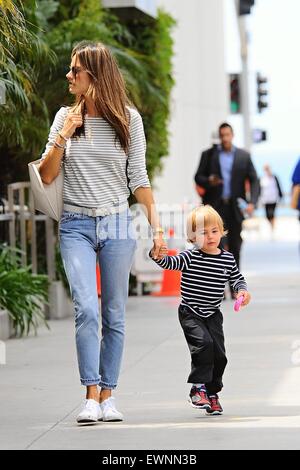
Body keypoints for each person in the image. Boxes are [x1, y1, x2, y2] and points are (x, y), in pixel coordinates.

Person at [39, 41, 167, 424]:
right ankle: (90, 394)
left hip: (116, 223)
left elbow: (139, 179)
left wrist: (157, 231)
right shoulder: (64, 116)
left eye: (75, 70)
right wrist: (65, 134)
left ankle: (109, 395)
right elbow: (46, 175)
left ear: (93, 75)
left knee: (114, 314)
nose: (69, 76)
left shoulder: (129, 120)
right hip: (75, 223)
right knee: (87, 308)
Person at [150, 205, 251, 415]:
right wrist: (158, 255)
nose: (210, 237)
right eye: (203, 233)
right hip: (190, 312)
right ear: (192, 237)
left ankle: (213, 393)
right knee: (203, 345)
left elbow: (237, 279)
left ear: (222, 231)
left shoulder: (227, 258)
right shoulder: (190, 257)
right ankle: (198, 388)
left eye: (214, 231)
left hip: (213, 314)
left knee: (220, 355)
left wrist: (242, 292)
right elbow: (169, 263)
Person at [194, 123, 260, 270]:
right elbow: (198, 177)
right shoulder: (209, 155)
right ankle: (219, 288)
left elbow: (255, 180)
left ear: (232, 135)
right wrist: (209, 180)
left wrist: (252, 203)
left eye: (227, 135)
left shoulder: (244, 156)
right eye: (222, 135)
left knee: (235, 246)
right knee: (217, 246)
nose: (224, 139)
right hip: (215, 208)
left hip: (235, 208)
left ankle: (235, 286)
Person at [259, 164, 283, 230]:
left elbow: (279, 187)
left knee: (272, 213)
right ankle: (271, 224)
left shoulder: (274, 177)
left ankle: (272, 227)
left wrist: (281, 196)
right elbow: (259, 189)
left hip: (273, 199)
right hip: (265, 200)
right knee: (267, 215)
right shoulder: (262, 178)